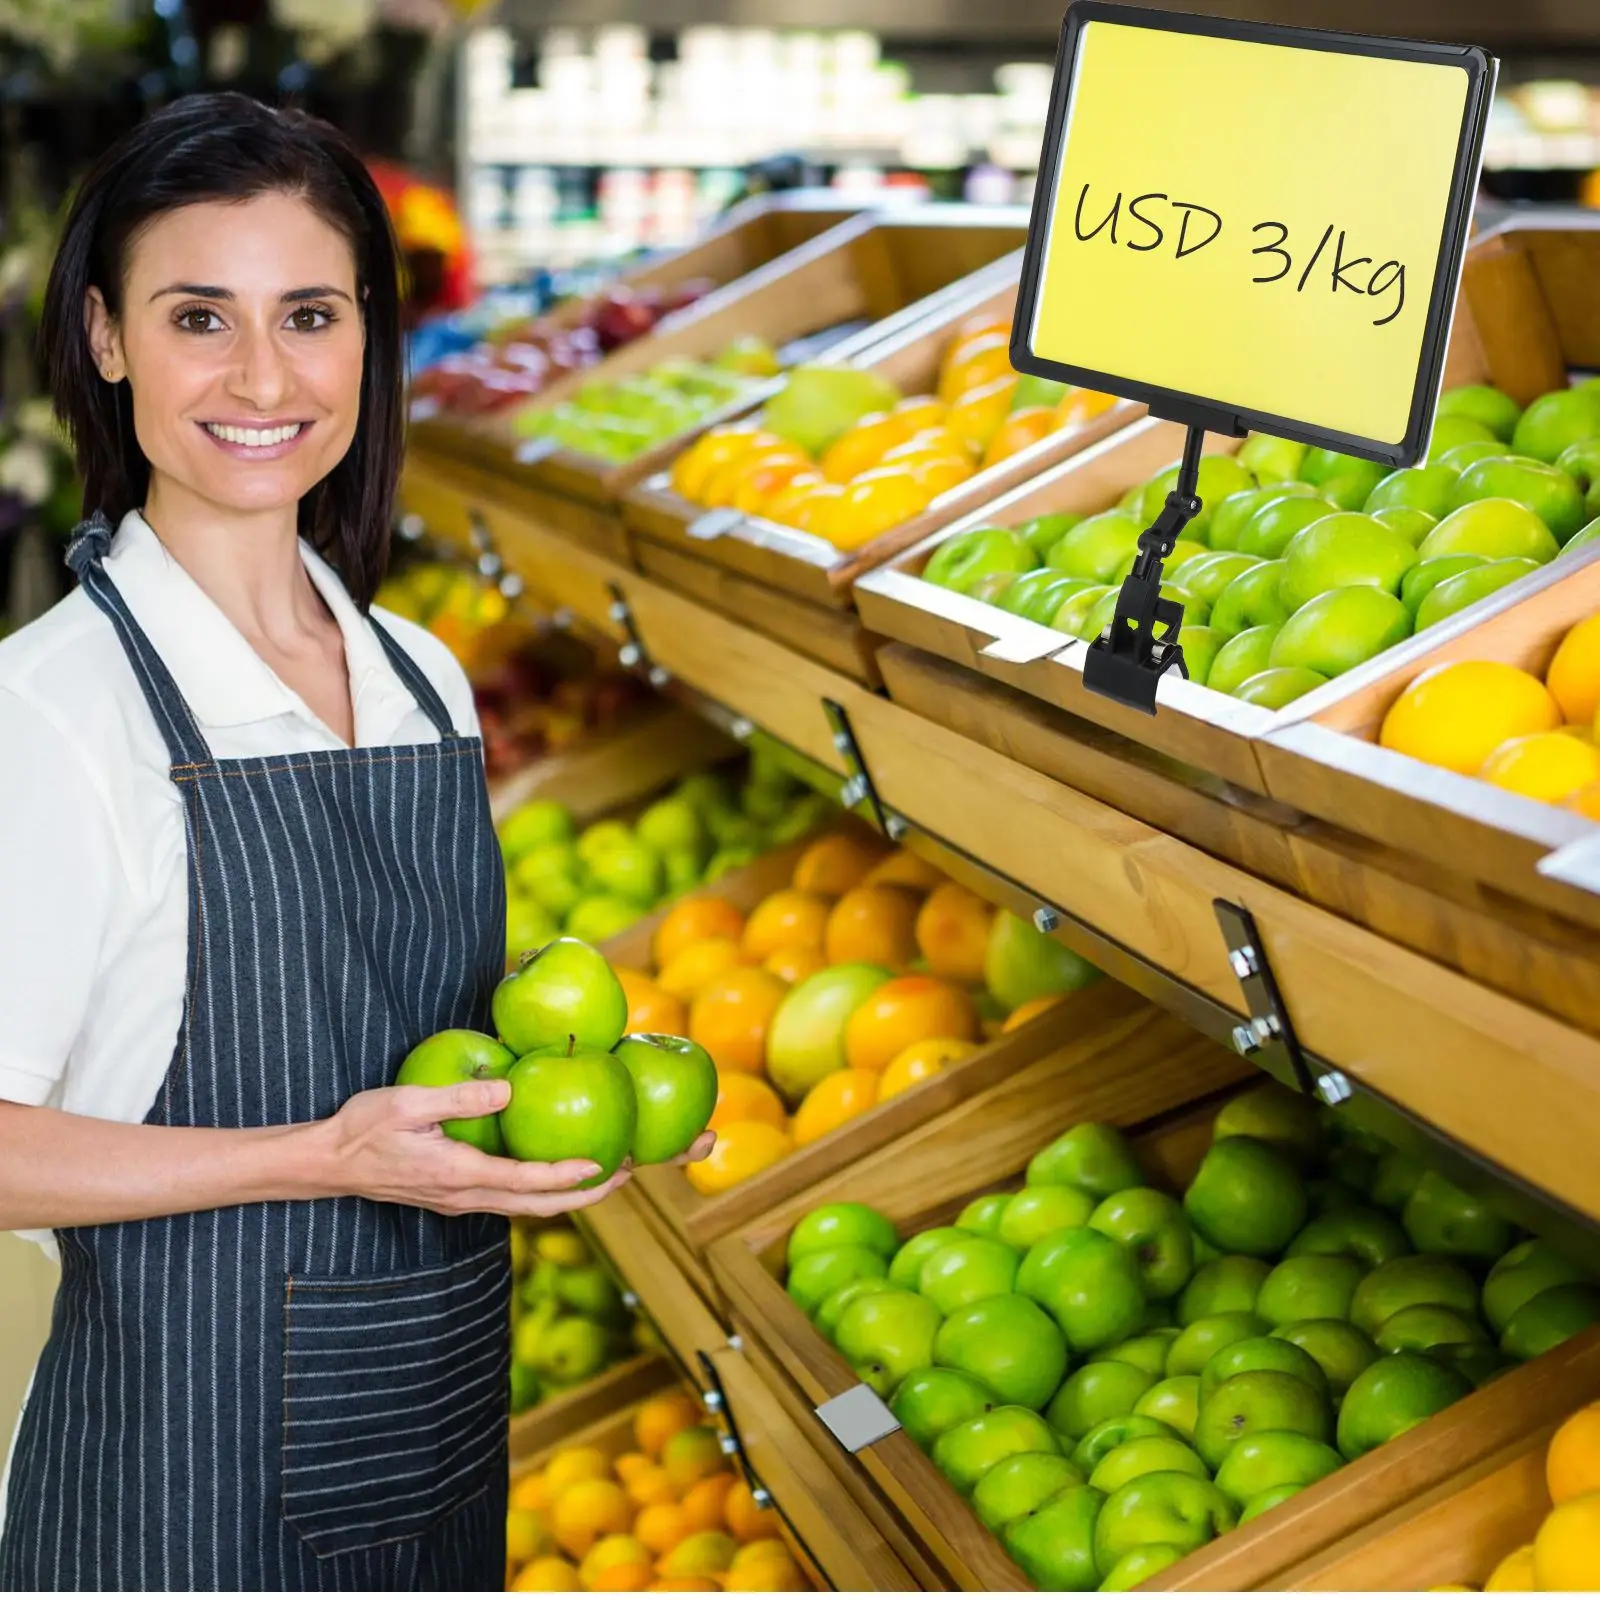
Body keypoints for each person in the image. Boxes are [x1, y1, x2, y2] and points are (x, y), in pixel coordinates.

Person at [0, 92, 709, 1591]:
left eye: (310, 314)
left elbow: (435, 1049)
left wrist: (588, 1108)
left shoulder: (419, 679)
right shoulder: (50, 713)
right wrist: (323, 1156)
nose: (264, 375)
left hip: (434, 1462)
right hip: (177, 1499)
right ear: (108, 336)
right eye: (201, 316)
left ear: (370, 338)